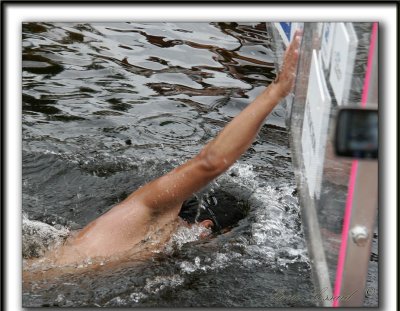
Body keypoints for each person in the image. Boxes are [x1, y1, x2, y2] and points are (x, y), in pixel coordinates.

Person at [49, 33, 302, 266]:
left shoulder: (144, 246)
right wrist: (277, 90)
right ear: (204, 228)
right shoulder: (146, 211)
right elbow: (210, 162)